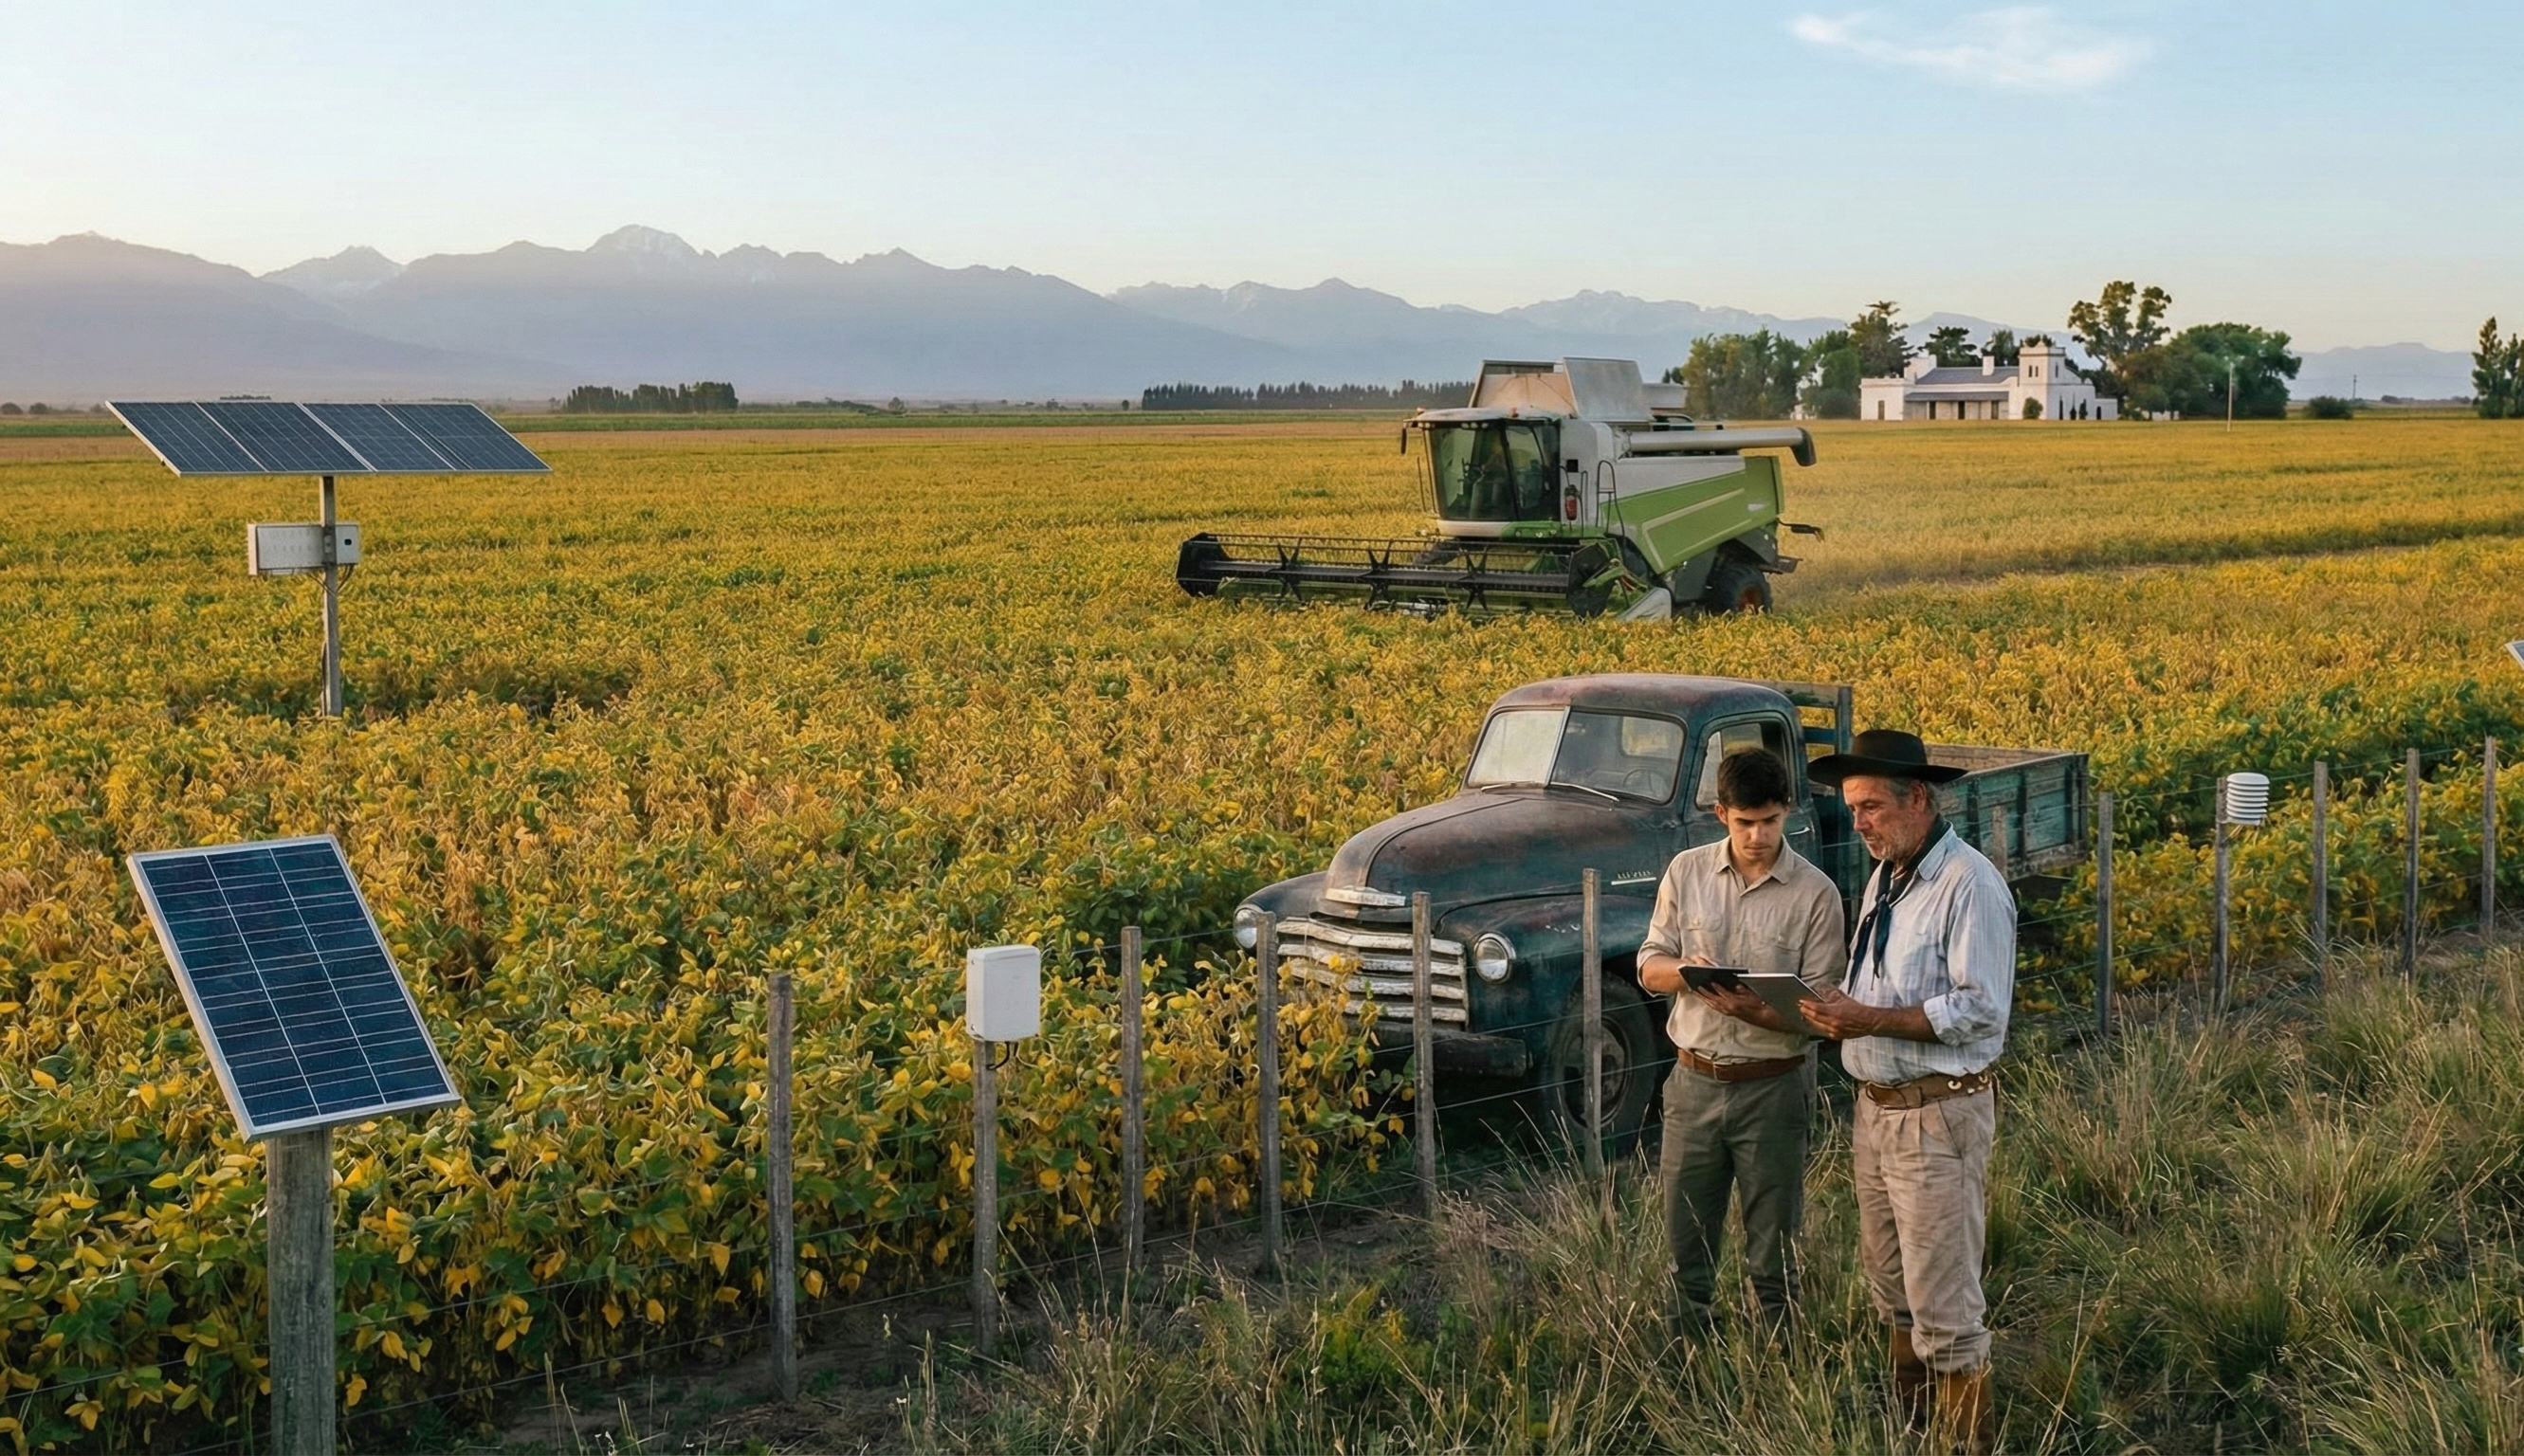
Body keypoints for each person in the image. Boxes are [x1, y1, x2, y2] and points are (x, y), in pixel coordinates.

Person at [1798, 729, 2013, 1456]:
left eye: (1871, 806)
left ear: (1918, 797)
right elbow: (1884, 987)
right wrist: (1835, 1007)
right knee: (1892, 1290)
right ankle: (1913, 1428)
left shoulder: (1968, 885)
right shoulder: (1889, 875)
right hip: (1878, 1114)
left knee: (1944, 1305)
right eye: (1852, 808)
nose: (1857, 822)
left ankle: (1963, 1443)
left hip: (1936, 1114)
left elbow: (1980, 1009)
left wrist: (1864, 1018)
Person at [1636, 747, 1846, 1335]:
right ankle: (1686, 1364)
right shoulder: (1686, 872)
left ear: (1787, 812)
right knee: (1685, 1242)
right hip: (1692, 1083)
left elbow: (1828, 1011)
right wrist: (1685, 971)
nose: (1758, 836)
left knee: (1774, 1247)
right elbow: (1649, 968)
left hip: (1773, 1088)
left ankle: (1780, 1369)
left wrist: (1757, 1011)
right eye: (1745, 822)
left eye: (1770, 822)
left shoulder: (1816, 894)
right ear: (1721, 814)